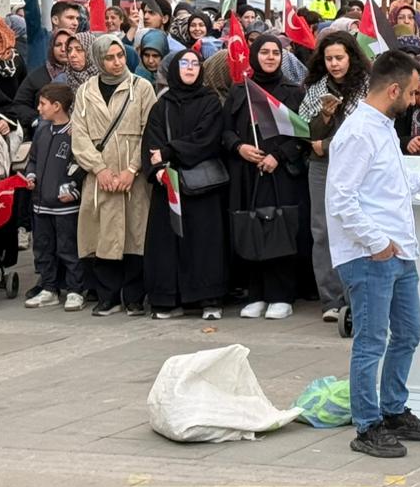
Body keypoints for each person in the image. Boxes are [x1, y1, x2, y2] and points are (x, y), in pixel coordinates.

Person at [327, 50, 420, 459]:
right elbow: (341, 199)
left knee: (409, 332)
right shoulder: (359, 131)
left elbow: (389, 185)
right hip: (370, 254)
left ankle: (393, 409)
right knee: (371, 341)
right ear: (394, 89)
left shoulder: (382, 127)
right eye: (413, 92)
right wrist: (376, 243)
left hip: (397, 250)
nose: (415, 100)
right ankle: (367, 425)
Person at [70, 34, 157, 315]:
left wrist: (132, 169)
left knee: (135, 234)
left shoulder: (141, 87)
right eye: (109, 57)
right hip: (101, 175)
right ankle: (107, 295)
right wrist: (99, 169)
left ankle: (134, 296)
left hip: (133, 175)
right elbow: (79, 135)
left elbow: (149, 131)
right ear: (98, 59)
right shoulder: (85, 91)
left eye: (120, 56)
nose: (117, 62)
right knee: (102, 235)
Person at [223, 33, 308, 320]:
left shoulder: (293, 91)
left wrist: (279, 155)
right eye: (265, 52)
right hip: (247, 172)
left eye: (275, 52)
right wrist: (240, 147)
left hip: (279, 174)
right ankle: (256, 293)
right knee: (252, 228)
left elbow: (302, 134)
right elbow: (225, 131)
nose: (270, 57)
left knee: (278, 229)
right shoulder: (240, 91)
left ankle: (281, 295)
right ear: (254, 55)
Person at [141, 49, 228, 319]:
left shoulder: (210, 101)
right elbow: (151, 141)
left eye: (195, 64)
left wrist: (169, 152)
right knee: (167, 243)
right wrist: (156, 169)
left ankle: (208, 298)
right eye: (184, 64)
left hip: (202, 185)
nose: (190, 68)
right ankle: (169, 299)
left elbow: (207, 138)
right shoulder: (162, 104)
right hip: (169, 184)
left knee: (204, 243)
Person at [300, 31, 367, 323]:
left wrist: (327, 144)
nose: (334, 64)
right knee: (323, 231)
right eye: (329, 59)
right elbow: (307, 132)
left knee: (353, 228)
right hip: (322, 167)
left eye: (339, 57)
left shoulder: (366, 86)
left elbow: (365, 130)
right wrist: (324, 118)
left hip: (355, 165)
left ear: (351, 57)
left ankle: (356, 297)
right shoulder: (316, 87)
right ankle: (331, 299)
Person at [24, 83, 85, 310]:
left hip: (65, 206)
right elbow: (33, 159)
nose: (39, 108)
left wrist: (74, 189)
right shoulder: (41, 130)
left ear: (57, 106)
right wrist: (30, 175)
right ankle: (49, 288)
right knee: (42, 249)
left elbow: (82, 165)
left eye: (42, 104)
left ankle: (76, 290)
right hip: (41, 204)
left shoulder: (75, 133)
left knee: (68, 249)